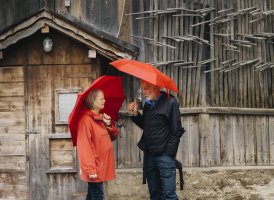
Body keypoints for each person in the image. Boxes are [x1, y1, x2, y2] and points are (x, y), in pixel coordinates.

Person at [128, 80, 184, 200]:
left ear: (156, 87)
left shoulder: (170, 102)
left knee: (169, 195)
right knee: (154, 195)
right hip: (150, 156)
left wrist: (168, 154)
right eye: (143, 89)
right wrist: (135, 114)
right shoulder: (148, 104)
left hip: (165, 157)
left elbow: (176, 130)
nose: (144, 92)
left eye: (147, 88)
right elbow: (146, 125)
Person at [77, 89, 119, 200]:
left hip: (101, 164)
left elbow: (113, 136)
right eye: (101, 99)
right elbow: (84, 147)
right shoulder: (86, 121)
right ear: (92, 101)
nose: (104, 101)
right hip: (95, 165)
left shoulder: (100, 119)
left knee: (93, 194)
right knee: (97, 195)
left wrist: (109, 124)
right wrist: (90, 169)